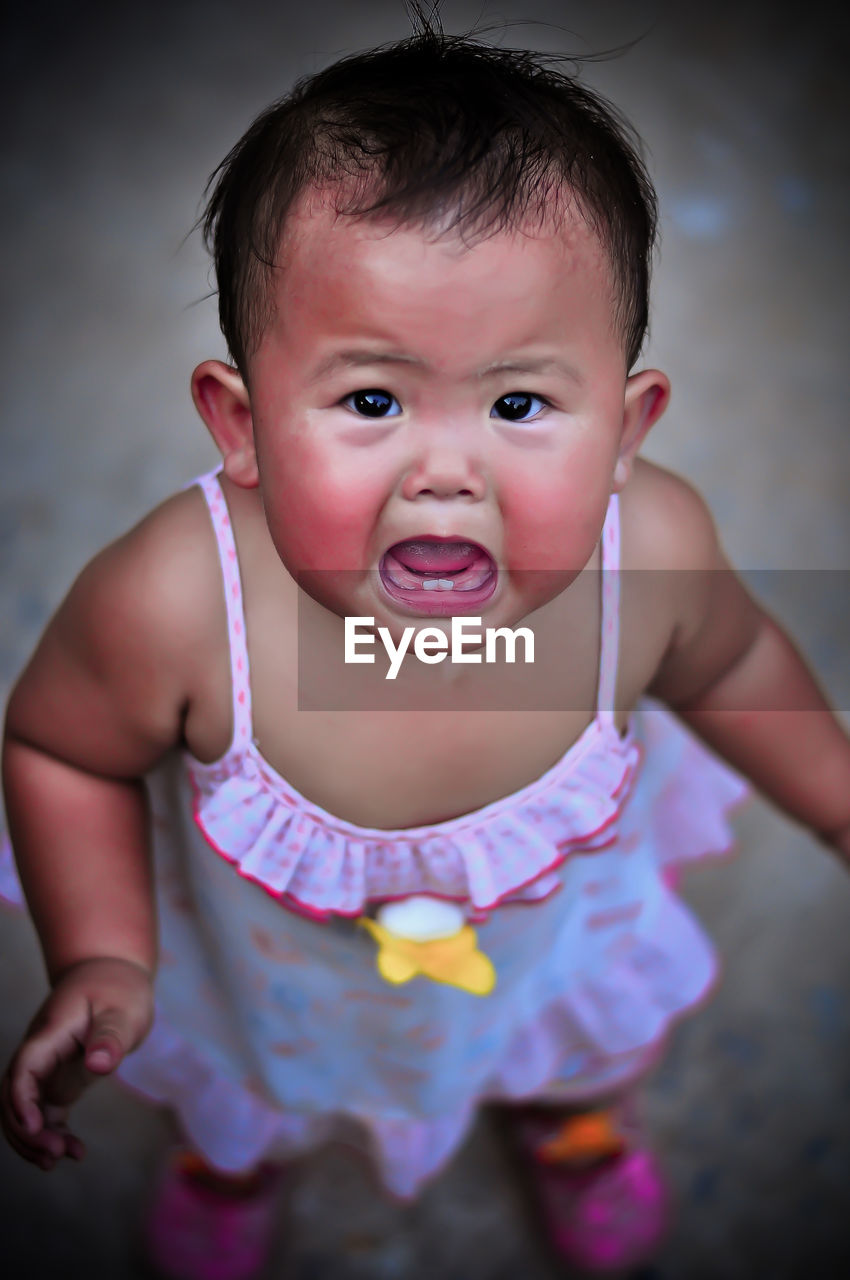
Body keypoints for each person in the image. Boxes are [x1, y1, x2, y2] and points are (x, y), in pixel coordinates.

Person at [1, 22, 849, 1280]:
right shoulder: (176, 602)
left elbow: (728, 666)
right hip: (276, 981)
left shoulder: (645, 551)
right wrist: (105, 949)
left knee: (571, 1043)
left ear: (625, 424)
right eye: (370, 400)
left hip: (540, 943)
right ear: (241, 424)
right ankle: (234, 1159)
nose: (445, 474)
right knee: (250, 1089)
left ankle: (566, 1123)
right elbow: (58, 747)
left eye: (519, 403)